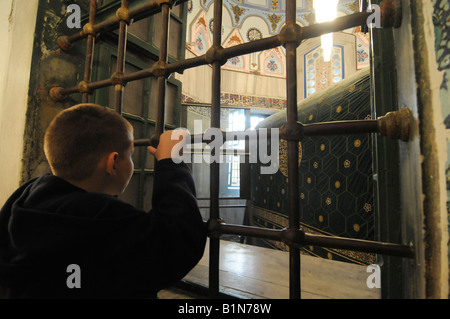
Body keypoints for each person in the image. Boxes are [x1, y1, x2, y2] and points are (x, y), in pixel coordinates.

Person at [0, 103, 206, 298]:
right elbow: (178, 242)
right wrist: (171, 161)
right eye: (130, 155)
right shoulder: (100, 217)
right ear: (113, 163)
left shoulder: (24, 203)